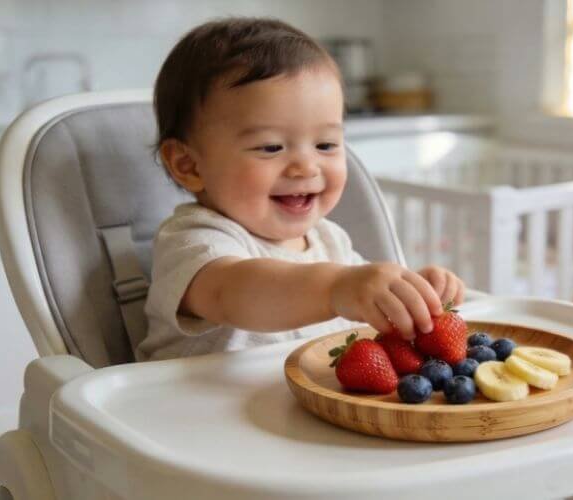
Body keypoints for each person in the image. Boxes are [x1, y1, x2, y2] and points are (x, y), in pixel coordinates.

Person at [137, 17, 465, 361]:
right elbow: (233, 293)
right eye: (270, 147)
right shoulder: (193, 240)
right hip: (190, 411)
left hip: (299, 407)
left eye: (325, 145)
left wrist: (411, 294)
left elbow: (363, 295)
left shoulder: (330, 240)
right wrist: (339, 287)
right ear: (188, 165)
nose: (306, 167)